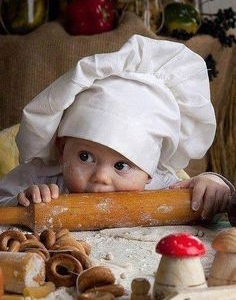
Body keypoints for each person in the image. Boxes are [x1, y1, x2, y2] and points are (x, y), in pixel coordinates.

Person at [0, 35, 234, 221]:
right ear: (61, 149)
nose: (101, 177)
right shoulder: (39, 177)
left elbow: (205, 200)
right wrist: (21, 204)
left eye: (121, 165)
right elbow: (2, 205)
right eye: (85, 156)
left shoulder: (160, 189)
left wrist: (212, 185)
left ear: (149, 172)